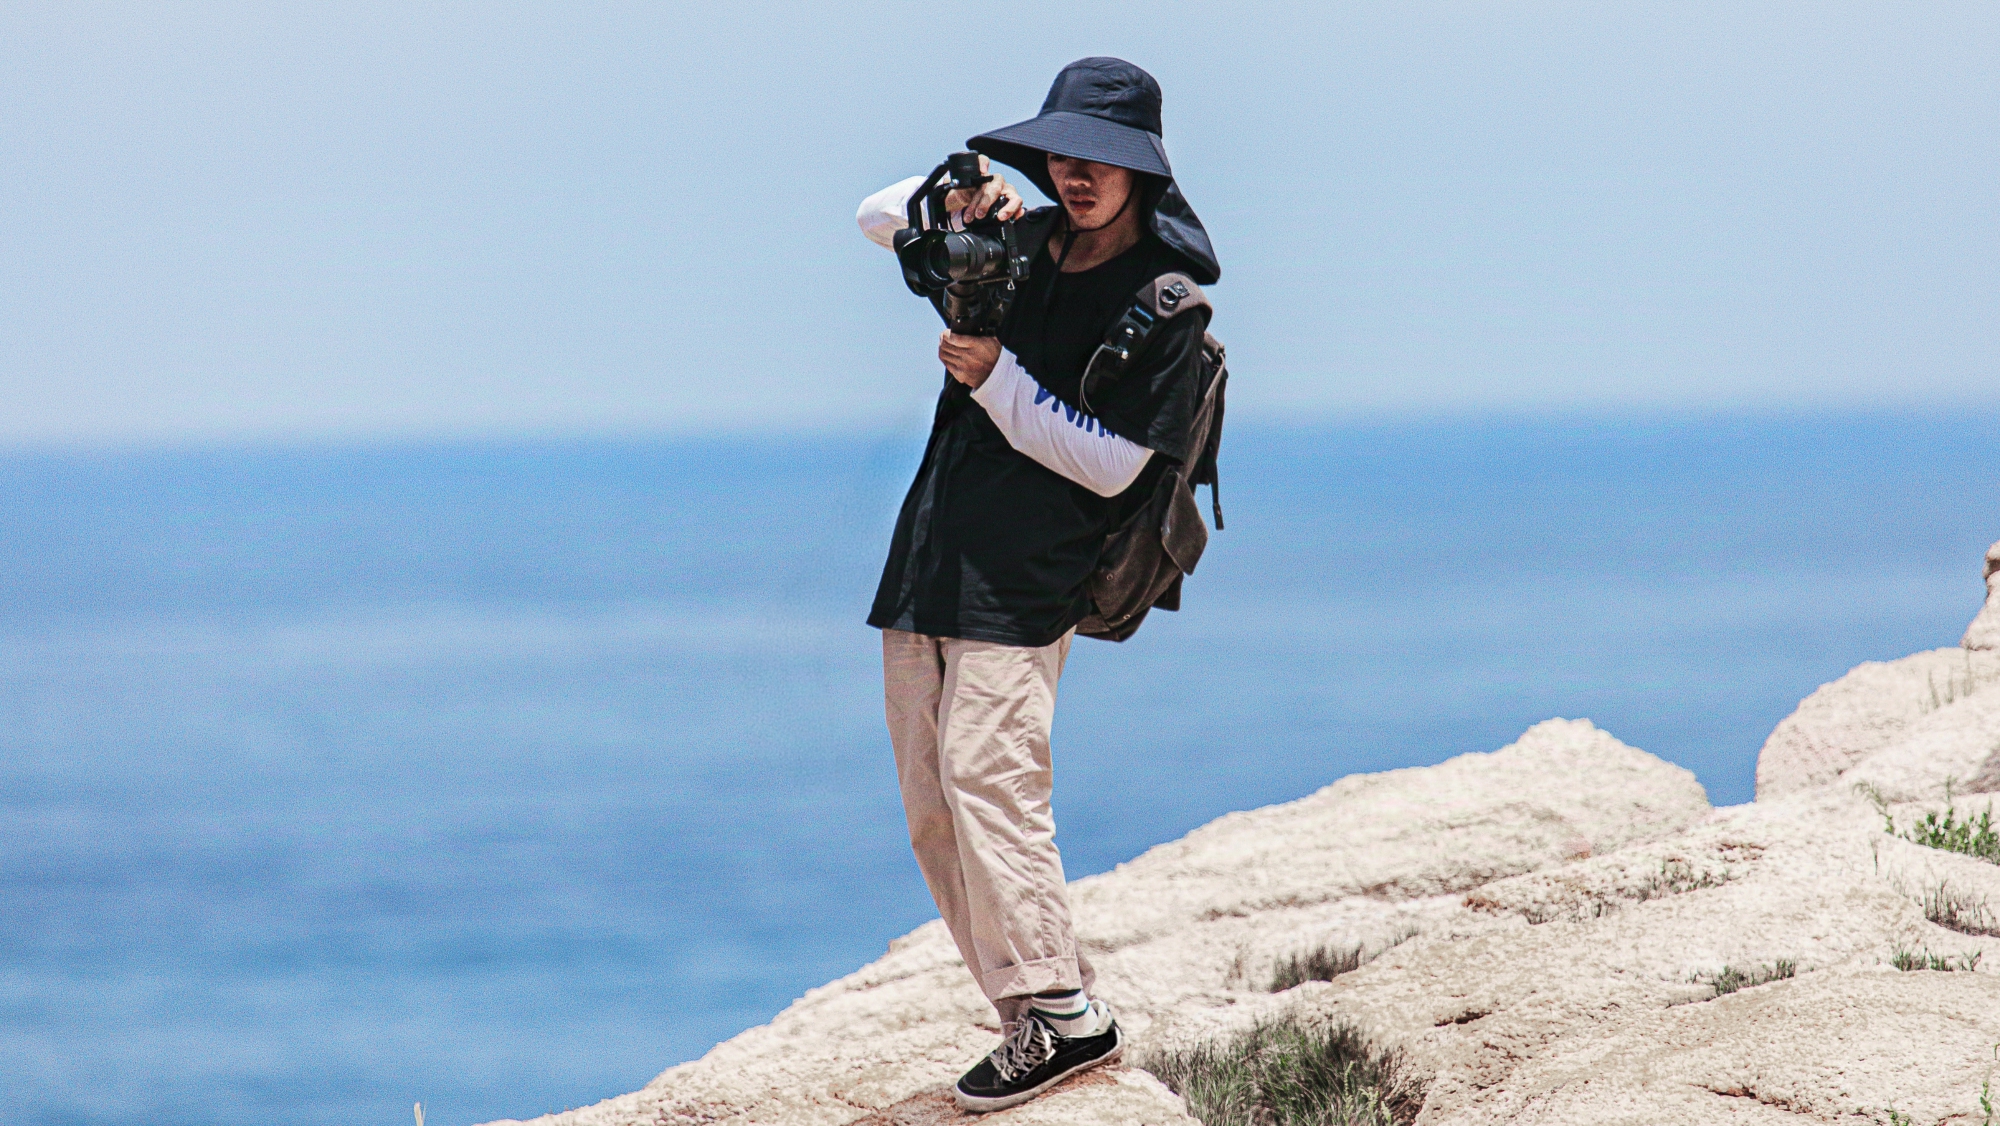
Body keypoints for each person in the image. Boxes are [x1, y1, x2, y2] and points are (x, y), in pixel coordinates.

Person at [855, 57, 1220, 1113]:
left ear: (1144, 169)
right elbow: (876, 215)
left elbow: (1116, 466)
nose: (1078, 174)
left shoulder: (1165, 303)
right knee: (932, 804)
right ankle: (1031, 1015)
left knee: (990, 780)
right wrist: (965, 189)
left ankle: (1063, 1013)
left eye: (1101, 158)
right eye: (1062, 154)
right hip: (929, 557)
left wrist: (996, 378)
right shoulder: (1012, 243)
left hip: (1027, 579)